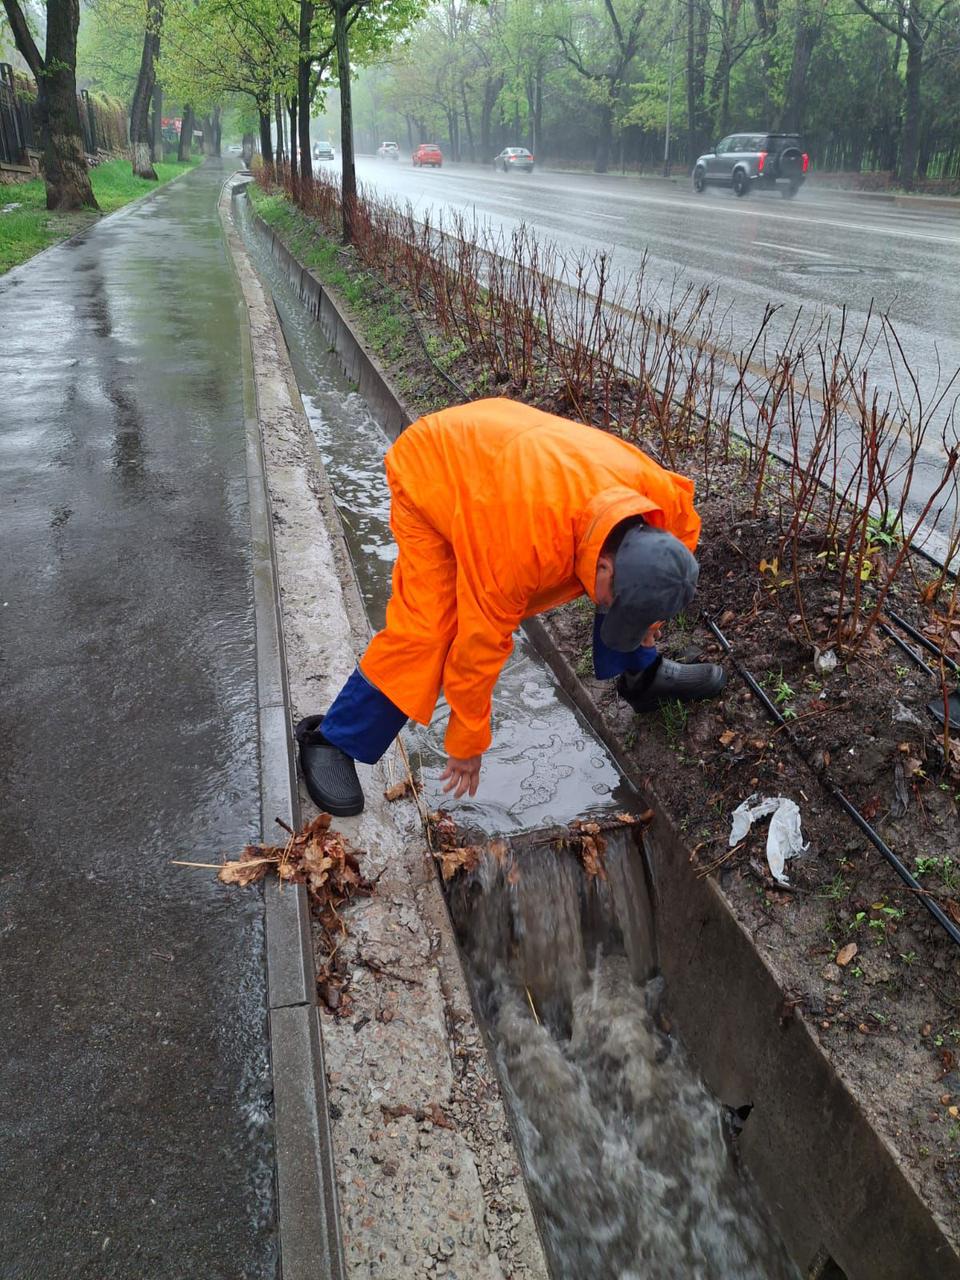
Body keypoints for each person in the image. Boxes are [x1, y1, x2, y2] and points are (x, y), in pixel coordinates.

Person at [295, 398, 726, 816]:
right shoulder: (520, 548)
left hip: (513, 452)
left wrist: (648, 616)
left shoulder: (659, 503)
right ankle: (333, 741)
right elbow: (478, 643)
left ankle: (644, 678)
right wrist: (466, 745)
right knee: (429, 631)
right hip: (436, 469)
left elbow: (676, 547)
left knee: (630, 592)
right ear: (606, 565)